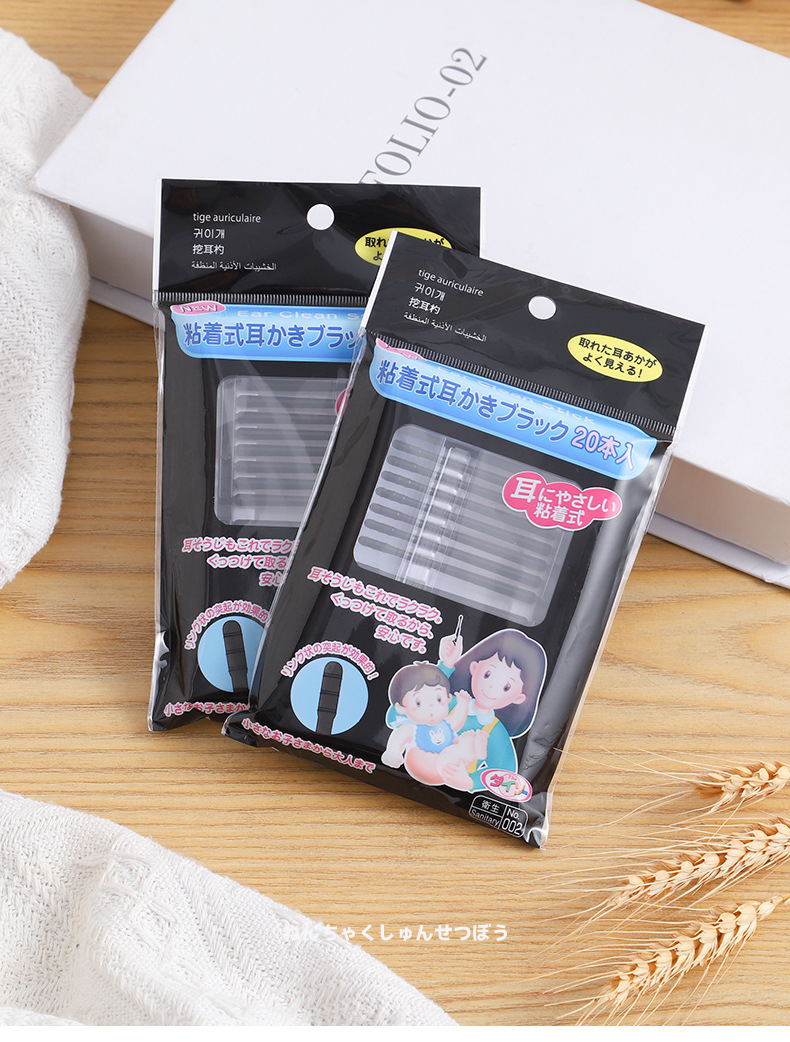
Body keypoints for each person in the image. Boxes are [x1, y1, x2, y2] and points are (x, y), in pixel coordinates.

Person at [434, 627, 547, 791]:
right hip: (417, 762)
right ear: (474, 668)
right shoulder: (455, 701)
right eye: (487, 674)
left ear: (519, 698)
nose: (492, 687)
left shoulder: (494, 731)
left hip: (447, 787)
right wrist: (446, 663)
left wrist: (470, 782)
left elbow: (505, 773)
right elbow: (424, 695)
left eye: (507, 687)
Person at [381, 662, 488, 788]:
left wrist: (462, 705)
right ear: (401, 708)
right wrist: (393, 753)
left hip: (453, 767)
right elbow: (398, 738)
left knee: (458, 747)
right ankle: (470, 748)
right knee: (456, 748)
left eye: (438, 699)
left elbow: (457, 720)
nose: (431, 708)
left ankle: (474, 750)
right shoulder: (411, 728)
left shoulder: (445, 724)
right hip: (425, 766)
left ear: (448, 699)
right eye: (419, 703)